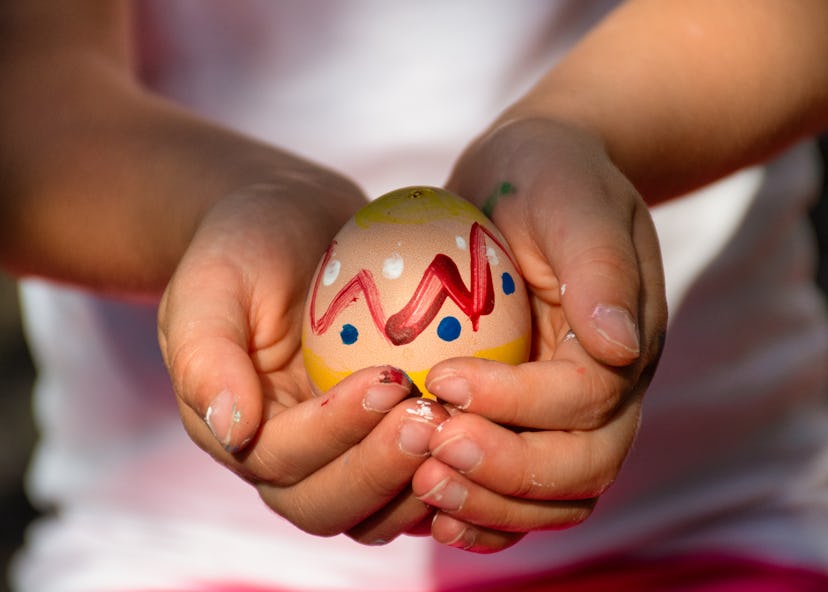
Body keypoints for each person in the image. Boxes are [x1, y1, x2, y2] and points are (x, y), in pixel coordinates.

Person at [1, 0, 826, 590]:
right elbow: (27, 95)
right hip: (174, 550)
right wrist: (231, 204)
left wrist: (587, 133)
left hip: (707, 517)